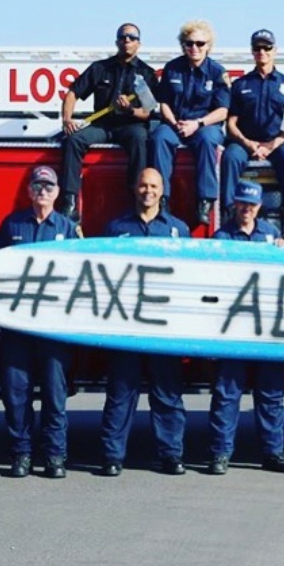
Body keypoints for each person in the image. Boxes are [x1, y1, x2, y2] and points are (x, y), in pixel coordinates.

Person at [99, 167, 189, 476]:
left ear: (162, 191)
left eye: (153, 185)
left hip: (165, 331)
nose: (147, 191)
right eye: (142, 185)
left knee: (167, 395)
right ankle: (112, 456)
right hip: (125, 329)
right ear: (134, 189)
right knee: (121, 394)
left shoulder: (179, 231)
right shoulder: (115, 229)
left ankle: (171, 455)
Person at [0, 166, 80, 479]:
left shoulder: (68, 229)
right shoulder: (11, 225)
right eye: (37, 186)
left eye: (48, 187)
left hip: (53, 330)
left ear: (58, 193)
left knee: (55, 397)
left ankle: (55, 456)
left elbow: (78, 278)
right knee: (17, 396)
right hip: (17, 328)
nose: (43, 191)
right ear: (30, 191)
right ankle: (22, 454)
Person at [207, 179, 284, 475]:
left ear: (259, 207)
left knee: (271, 394)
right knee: (227, 393)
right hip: (233, 327)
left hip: (267, 329)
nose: (246, 209)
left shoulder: (272, 236)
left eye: (252, 205)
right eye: (242, 204)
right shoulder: (221, 236)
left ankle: (273, 452)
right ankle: (220, 453)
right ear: (235, 204)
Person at [59, 22, 159, 221]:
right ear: (116, 42)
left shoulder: (146, 74)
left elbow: (150, 112)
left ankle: (136, 199)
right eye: (123, 37)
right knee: (73, 139)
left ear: (139, 43)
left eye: (132, 38)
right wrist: (67, 120)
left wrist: (130, 110)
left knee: (140, 138)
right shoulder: (100, 68)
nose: (127, 41)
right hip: (102, 126)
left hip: (131, 125)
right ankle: (69, 202)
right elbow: (72, 94)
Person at [220, 29, 284, 242]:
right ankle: (229, 214)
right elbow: (231, 124)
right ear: (252, 51)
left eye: (267, 48)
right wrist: (249, 145)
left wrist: (270, 146)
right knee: (230, 157)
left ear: (275, 50)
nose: (262, 52)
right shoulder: (241, 84)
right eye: (257, 48)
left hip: (276, 143)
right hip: (245, 143)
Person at [150, 20, 231, 226]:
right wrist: (173, 122)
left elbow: (223, 110)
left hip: (205, 125)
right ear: (183, 45)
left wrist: (198, 123)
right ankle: (162, 199)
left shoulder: (217, 72)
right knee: (159, 138)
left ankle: (205, 201)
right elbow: (163, 102)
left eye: (200, 43)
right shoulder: (172, 68)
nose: (194, 48)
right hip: (175, 122)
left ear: (208, 46)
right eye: (189, 43)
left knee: (207, 141)